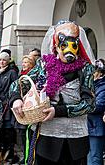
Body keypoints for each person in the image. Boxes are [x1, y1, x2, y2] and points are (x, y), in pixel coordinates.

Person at [10, 21, 95, 165]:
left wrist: (58, 111)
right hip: (46, 139)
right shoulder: (44, 65)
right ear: (56, 45)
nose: (68, 50)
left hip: (75, 141)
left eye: (73, 44)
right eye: (63, 45)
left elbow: (89, 104)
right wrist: (16, 99)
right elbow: (17, 84)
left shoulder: (85, 69)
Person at [0, 51, 18, 163]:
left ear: (8, 61)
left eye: (4, 60)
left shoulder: (12, 72)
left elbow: (15, 87)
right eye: (0, 59)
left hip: (7, 105)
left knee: (9, 130)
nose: (2, 62)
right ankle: (1, 152)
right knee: (0, 130)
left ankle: (10, 153)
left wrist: (7, 100)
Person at [87, 58, 105, 165]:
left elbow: (98, 105)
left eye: (94, 71)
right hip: (89, 126)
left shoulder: (102, 86)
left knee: (95, 158)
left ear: (100, 73)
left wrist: (83, 105)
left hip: (96, 128)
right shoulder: (92, 85)